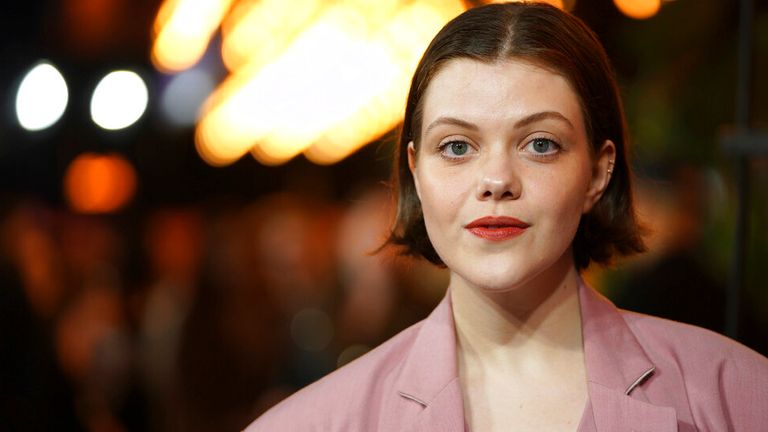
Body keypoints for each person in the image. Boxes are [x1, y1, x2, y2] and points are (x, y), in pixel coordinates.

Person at [245, 3, 768, 431]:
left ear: (598, 172)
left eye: (540, 144)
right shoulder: (312, 423)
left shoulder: (735, 395)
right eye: (455, 147)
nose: (496, 179)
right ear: (415, 173)